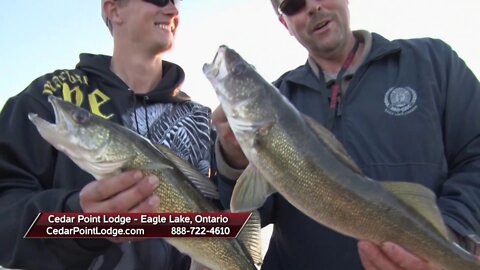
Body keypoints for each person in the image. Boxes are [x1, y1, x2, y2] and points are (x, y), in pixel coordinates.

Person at [213, 0, 480, 269]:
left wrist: (449, 236)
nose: (313, 7)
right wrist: (234, 160)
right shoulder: (280, 97)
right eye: (293, 4)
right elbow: (241, 219)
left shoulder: (433, 62)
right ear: (285, 24)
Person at [0, 0, 215, 269]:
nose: (173, 10)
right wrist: (74, 220)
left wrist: (234, 163)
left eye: (176, 1)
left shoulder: (200, 120)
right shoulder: (50, 96)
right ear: (113, 9)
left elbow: (232, 217)